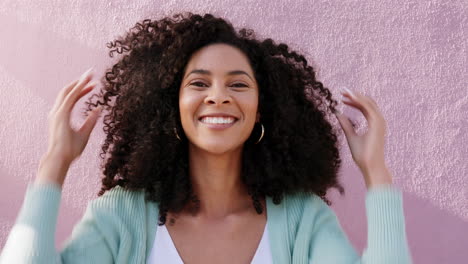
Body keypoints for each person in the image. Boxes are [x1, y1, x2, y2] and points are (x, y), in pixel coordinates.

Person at [0, 12, 412, 263]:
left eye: (238, 84)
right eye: (199, 83)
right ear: (171, 108)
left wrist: (376, 173)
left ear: (260, 110)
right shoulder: (122, 216)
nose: (218, 96)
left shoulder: (302, 220)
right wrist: (54, 164)